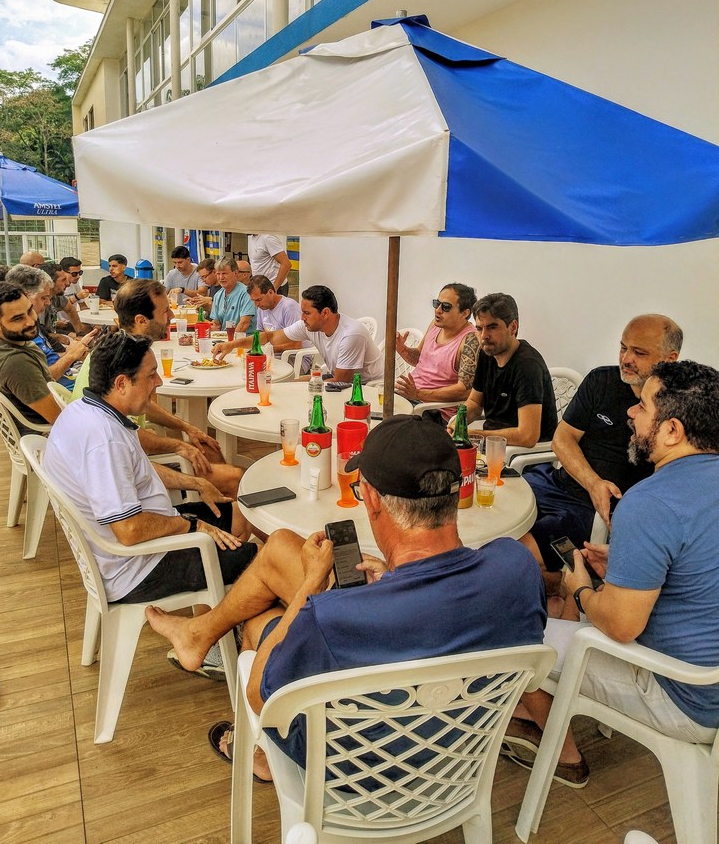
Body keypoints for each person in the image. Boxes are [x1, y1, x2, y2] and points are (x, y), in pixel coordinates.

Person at [146, 415, 546, 776]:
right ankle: (199, 636)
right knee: (283, 552)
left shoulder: (333, 615)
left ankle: (264, 756)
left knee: (262, 622)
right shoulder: (517, 567)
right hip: (454, 757)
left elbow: (258, 696)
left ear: (369, 498)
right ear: (457, 489)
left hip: (353, 769)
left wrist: (309, 588)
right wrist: (393, 578)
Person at [514, 360, 719, 786]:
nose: (630, 411)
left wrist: (582, 589)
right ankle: (531, 709)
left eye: (642, 406)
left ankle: (563, 756)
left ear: (672, 431)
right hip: (708, 676)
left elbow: (621, 625)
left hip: (683, 694)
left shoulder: (650, 501)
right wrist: (628, 562)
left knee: (512, 634)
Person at [42, 333, 257, 610]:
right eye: (151, 375)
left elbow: (133, 468)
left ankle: (214, 606)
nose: (159, 382)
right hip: (140, 566)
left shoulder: (84, 411)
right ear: (121, 384)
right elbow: (129, 530)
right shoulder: (105, 439)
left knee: (242, 515)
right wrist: (192, 526)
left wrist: (196, 483)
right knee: (266, 559)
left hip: (144, 543)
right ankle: (213, 629)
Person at [70, 279, 247, 522]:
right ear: (142, 320)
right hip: (133, 474)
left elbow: (141, 409)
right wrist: (177, 445)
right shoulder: (121, 363)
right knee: (234, 476)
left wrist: (186, 428)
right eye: (165, 311)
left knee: (209, 448)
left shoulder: (116, 351)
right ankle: (231, 524)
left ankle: (224, 519)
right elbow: (121, 436)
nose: (172, 316)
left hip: (130, 460)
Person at [520, 315, 682, 579]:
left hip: (591, 511)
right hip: (558, 481)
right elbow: (563, 438)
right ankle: (556, 585)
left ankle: (558, 586)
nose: (626, 359)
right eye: (623, 347)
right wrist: (593, 482)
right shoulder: (601, 381)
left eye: (639, 352)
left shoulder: (676, 411)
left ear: (670, 359)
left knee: (516, 551)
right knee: (493, 505)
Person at [460, 293, 557, 448]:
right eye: (479, 328)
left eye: (492, 327)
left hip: (524, 455)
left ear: (513, 327)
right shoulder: (488, 353)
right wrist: (458, 422)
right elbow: (475, 402)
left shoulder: (528, 366)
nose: (484, 336)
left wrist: (475, 435)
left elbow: (527, 436)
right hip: (492, 445)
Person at [236, 284, 383, 383]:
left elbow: (341, 381)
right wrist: (232, 345)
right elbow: (271, 336)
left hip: (367, 387)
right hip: (339, 378)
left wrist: (307, 382)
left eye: (306, 313)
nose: (302, 318)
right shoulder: (309, 325)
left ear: (325, 313)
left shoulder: (351, 335)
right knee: (291, 384)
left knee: (295, 388)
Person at [0, 282, 60, 426]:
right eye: (18, 318)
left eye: (30, 311)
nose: (30, 322)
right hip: (45, 432)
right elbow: (59, 419)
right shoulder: (17, 364)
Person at [394, 283, 479, 418]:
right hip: (410, 397)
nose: (438, 310)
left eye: (446, 307)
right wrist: (402, 349)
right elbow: (419, 358)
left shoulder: (470, 341)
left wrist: (417, 394)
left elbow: (464, 391)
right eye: (437, 304)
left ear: (465, 313)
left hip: (433, 410)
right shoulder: (435, 325)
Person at [5, 264, 96, 388]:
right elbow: (43, 379)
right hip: (67, 392)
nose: (48, 302)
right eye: (43, 298)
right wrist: (71, 356)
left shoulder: (31, 326)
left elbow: (49, 359)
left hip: (69, 379)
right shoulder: (23, 333)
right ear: (26, 297)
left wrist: (74, 351)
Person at [212, 275, 301, 360]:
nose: (256, 304)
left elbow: (296, 345)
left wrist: (266, 350)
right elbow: (260, 337)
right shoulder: (262, 307)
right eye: (253, 300)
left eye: (259, 299)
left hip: (292, 358)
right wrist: (232, 344)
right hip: (270, 357)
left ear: (270, 292)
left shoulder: (289, 307)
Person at [209, 257, 256, 333]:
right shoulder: (218, 295)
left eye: (224, 273)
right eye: (218, 274)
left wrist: (231, 339)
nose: (221, 277)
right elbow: (216, 322)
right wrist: (214, 326)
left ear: (235, 273)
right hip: (224, 337)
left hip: (244, 337)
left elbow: (244, 323)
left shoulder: (246, 293)